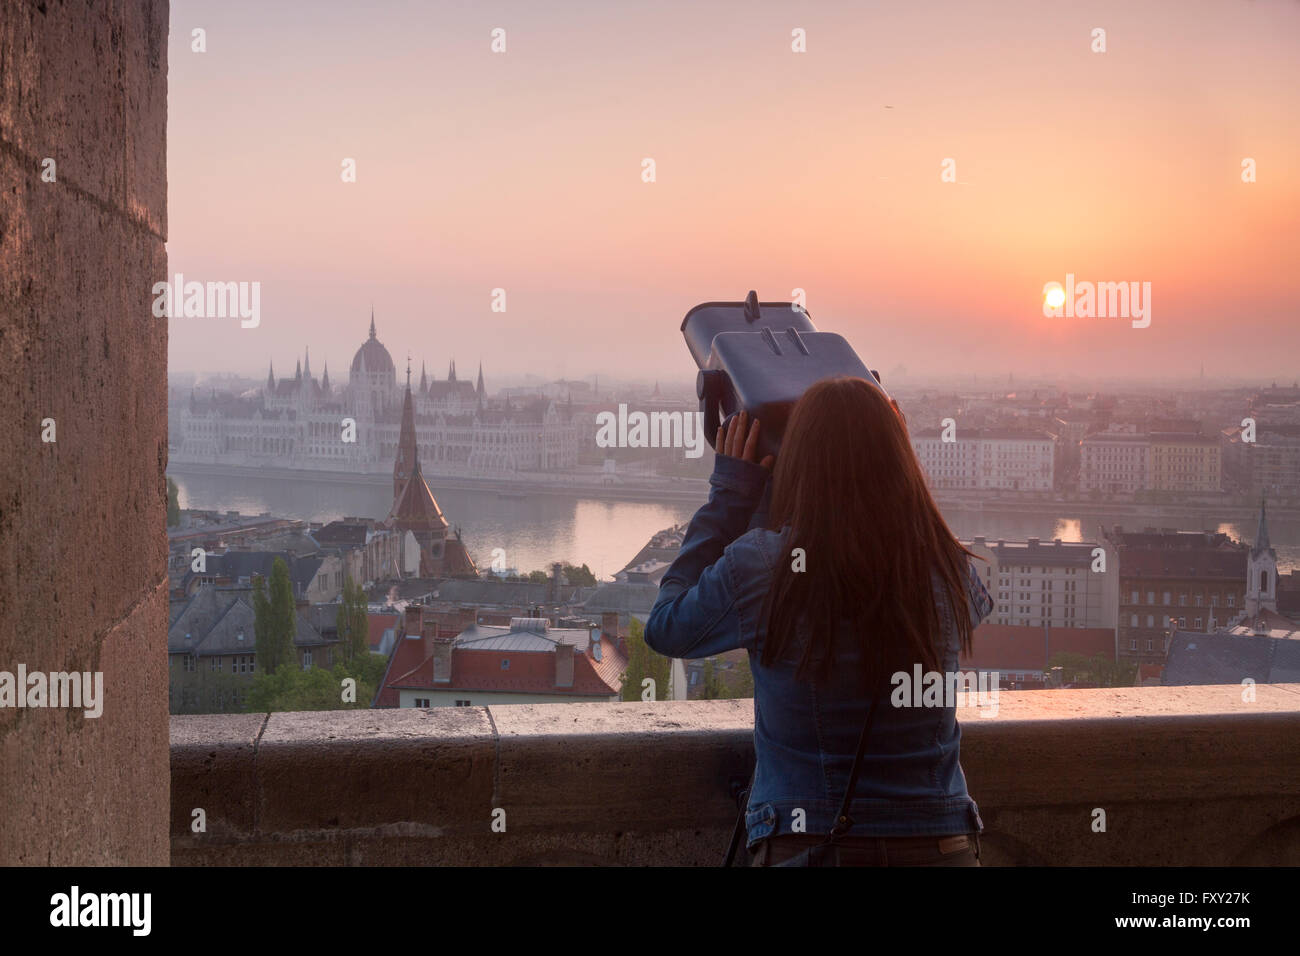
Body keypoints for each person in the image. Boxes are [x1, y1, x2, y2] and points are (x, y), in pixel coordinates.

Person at [644, 376, 994, 866]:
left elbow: (665, 627)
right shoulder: (944, 564)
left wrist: (732, 492)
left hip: (811, 843)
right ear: (898, 455)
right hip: (940, 846)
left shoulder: (765, 567)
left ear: (798, 460)